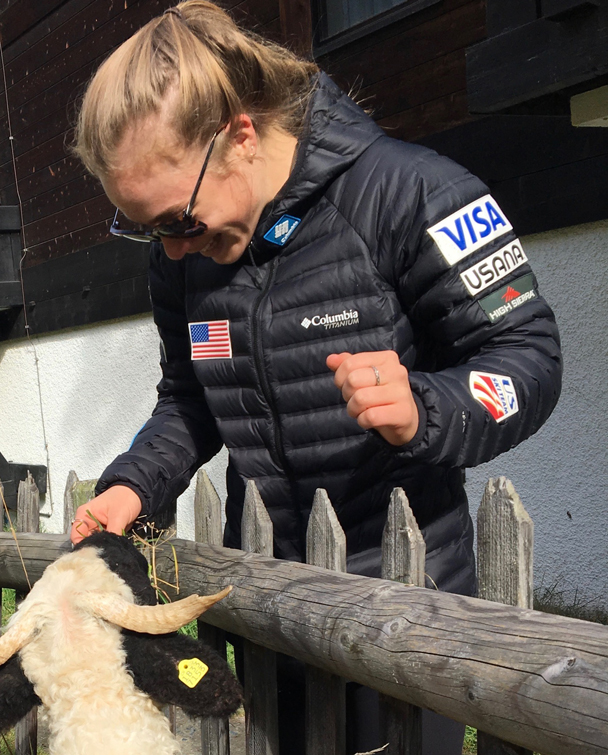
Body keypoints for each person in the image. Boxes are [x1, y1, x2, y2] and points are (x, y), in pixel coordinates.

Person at [67, 2, 562, 753]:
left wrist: (427, 406)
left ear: (238, 133)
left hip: (403, 610)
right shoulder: (187, 259)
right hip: (266, 607)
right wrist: (134, 483)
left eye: (175, 221)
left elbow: (529, 355)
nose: (169, 252)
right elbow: (190, 401)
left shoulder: (413, 193)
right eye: (144, 229)